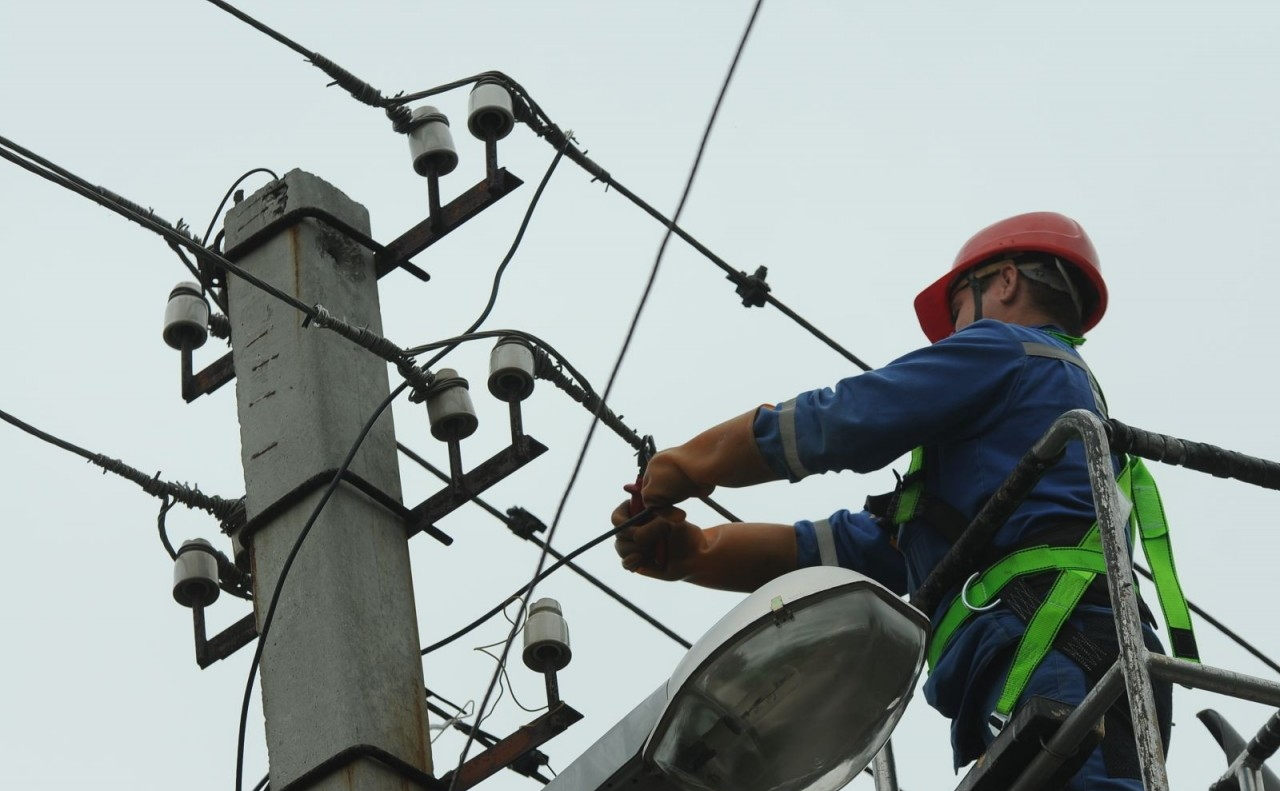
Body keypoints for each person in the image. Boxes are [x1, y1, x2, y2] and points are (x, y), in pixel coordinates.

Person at [613, 212, 1191, 790]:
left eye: (957, 309)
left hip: (1057, 646)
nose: (951, 334)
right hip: (1064, 651)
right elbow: (845, 551)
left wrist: (690, 465)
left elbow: (845, 420)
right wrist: (698, 552)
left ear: (1006, 280)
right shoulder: (1027, 428)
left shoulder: (1004, 349)